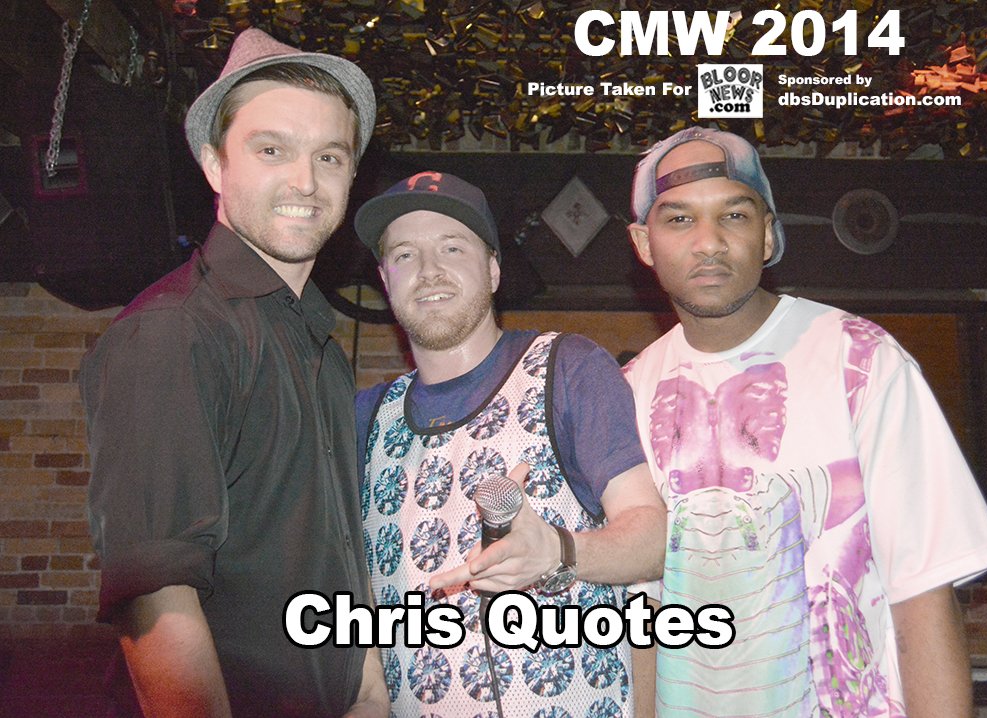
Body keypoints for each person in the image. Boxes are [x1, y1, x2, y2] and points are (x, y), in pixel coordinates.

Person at [623, 126, 987, 717]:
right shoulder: (627, 392)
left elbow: (923, 594)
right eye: (679, 220)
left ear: (768, 234)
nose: (708, 242)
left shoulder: (862, 361)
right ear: (644, 243)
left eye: (734, 215)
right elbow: (642, 618)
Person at [80, 28, 388, 717]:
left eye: (329, 156)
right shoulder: (174, 332)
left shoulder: (316, 344)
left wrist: (369, 692)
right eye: (271, 150)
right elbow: (156, 598)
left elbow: (337, 553)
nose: (305, 181)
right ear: (214, 165)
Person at [353, 171, 668, 717]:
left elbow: (655, 538)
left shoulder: (568, 369)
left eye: (452, 247)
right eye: (405, 254)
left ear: (494, 269)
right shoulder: (364, 418)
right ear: (385, 278)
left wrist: (559, 552)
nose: (429, 270)